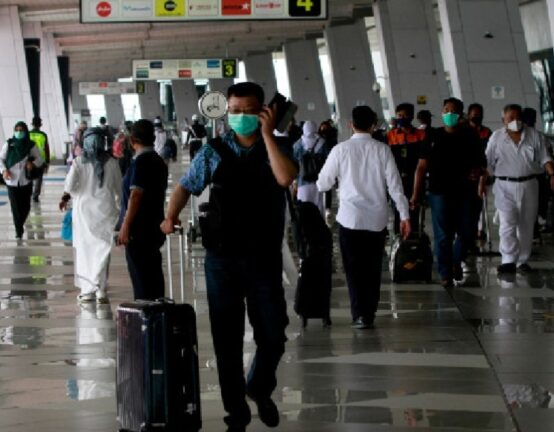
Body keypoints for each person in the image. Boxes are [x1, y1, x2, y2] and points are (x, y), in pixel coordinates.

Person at [161, 82, 297, 432]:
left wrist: (267, 135)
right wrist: (170, 216)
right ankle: (236, 412)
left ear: (264, 112)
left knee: (274, 334)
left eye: (248, 111)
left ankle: (259, 387)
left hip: (263, 258)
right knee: (227, 340)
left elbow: (285, 178)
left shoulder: (278, 147)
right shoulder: (214, 151)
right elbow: (186, 185)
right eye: (234, 111)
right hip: (222, 259)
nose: (239, 117)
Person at [317, 105, 411, 330]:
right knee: (372, 268)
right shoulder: (383, 150)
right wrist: (405, 216)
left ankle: (359, 314)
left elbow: (323, 184)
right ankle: (369, 312)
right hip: (376, 220)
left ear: (350, 125)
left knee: (353, 269)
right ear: (373, 125)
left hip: (349, 218)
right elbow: (395, 187)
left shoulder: (340, 150)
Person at [411, 98, 486, 287]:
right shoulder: (433, 135)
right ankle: (445, 273)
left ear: (460, 114)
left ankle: (455, 260)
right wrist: (416, 194)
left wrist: (477, 174)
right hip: (439, 191)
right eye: (446, 110)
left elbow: (481, 163)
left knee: (468, 231)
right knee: (443, 234)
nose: (449, 114)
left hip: (465, 191)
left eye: (453, 111)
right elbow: (421, 167)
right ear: (442, 112)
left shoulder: (469, 135)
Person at [485, 104, 554, 274]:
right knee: (507, 224)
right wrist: (481, 180)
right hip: (504, 185)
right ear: (503, 120)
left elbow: (545, 158)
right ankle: (508, 260)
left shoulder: (534, 135)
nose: (515, 121)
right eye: (511, 118)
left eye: (518, 117)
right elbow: (487, 162)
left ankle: (522, 260)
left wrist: (552, 174)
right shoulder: (496, 137)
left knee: (526, 225)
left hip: (529, 185)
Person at [59, 128, 121, 303]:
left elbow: (70, 186)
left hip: (84, 215)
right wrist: (120, 211)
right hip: (106, 213)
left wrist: (67, 196)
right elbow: (119, 190)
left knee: (85, 252)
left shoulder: (79, 162)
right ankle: (101, 290)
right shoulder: (112, 162)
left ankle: (87, 291)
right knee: (102, 251)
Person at [118, 119, 168, 301]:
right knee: (153, 278)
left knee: (141, 281)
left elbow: (136, 195)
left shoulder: (141, 162)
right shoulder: (158, 161)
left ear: (132, 140)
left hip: (139, 231)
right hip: (154, 227)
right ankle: (157, 311)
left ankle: (145, 313)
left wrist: (125, 225)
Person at [387, 103, 427, 234]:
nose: (401, 118)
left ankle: (415, 236)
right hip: (397, 179)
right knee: (398, 209)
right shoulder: (391, 136)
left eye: (405, 115)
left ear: (411, 117)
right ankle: (399, 236)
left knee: (414, 209)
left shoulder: (421, 135)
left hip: (415, 179)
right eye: (399, 115)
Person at [0, 121, 44, 239]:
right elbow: (1, 159)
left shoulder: (31, 145)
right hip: (11, 181)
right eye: (17, 130)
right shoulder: (9, 144)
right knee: (15, 207)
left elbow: (40, 159)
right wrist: (4, 170)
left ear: (25, 131)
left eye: (21, 130)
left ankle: (19, 224)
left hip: (26, 181)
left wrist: (32, 163)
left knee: (26, 207)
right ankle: (18, 230)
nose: (19, 132)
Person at [466, 103, 493, 249]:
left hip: (480, 172)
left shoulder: (487, 132)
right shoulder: (463, 131)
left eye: (479, 114)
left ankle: (479, 230)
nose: (477, 117)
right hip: (465, 174)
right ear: (469, 114)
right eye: (474, 114)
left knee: (480, 202)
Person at [293, 120, 329, 215]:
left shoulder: (298, 145)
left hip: (302, 182)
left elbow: (294, 164)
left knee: (303, 209)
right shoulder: (322, 143)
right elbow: (328, 161)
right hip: (318, 181)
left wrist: (294, 181)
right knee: (318, 207)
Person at [29, 117, 50, 203]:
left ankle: (29, 194)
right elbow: (46, 148)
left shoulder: (28, 134)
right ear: (40, 124)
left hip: (29, 160)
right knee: (39, 178)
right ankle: (35, 196)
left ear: (32, 124)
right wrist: (47, 161)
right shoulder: (43, 135)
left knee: (28, 177)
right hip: (40, 160)